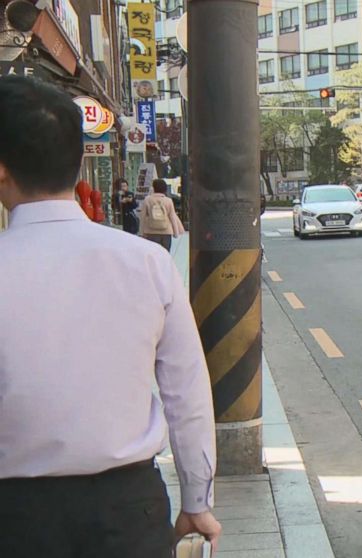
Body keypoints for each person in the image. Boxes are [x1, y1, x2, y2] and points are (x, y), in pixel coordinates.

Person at [0, 76, 220, 557]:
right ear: (79, 161)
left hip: (14, 517)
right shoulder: (146, 262)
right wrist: (197, 499)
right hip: (128, 509)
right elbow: (186, 392)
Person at [140, 177, 184, 252]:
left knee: (153, 255)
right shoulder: (168, 201)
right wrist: (175, 232)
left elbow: (143, 217)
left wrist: (142, 232)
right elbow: (172, 216)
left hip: (150, 232)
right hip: (166, 232)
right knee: (165, 254)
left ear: (153, 188)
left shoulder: (147, 199)